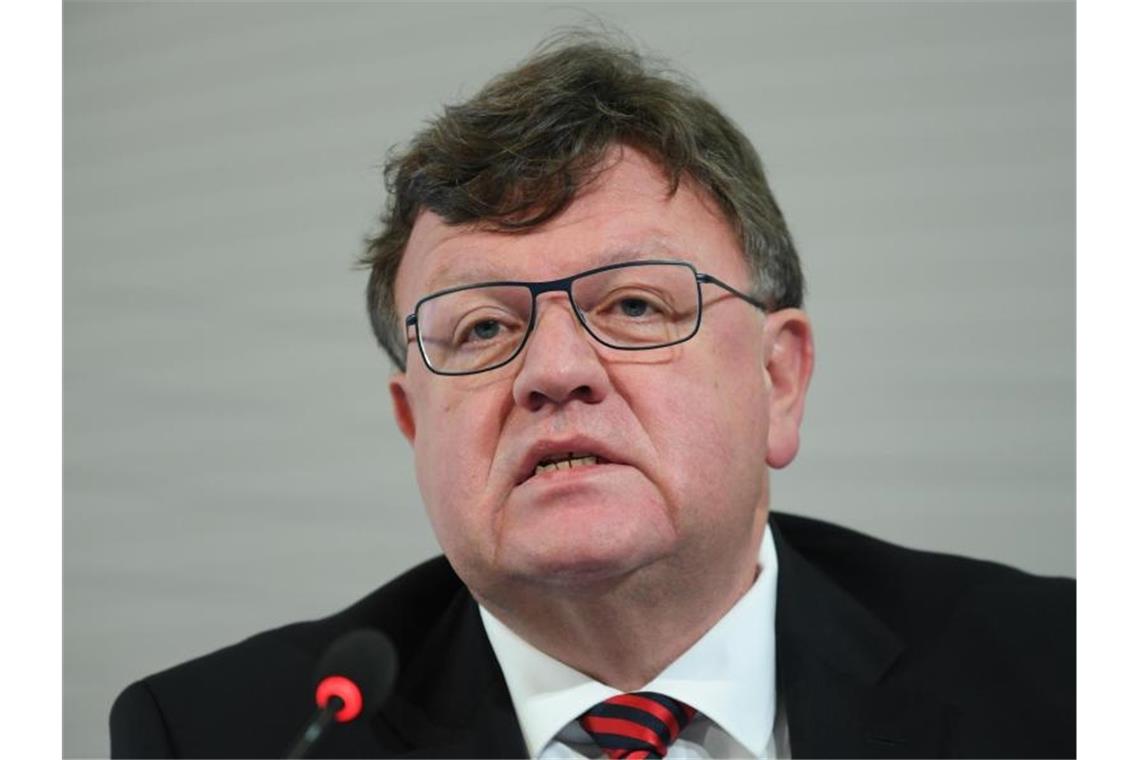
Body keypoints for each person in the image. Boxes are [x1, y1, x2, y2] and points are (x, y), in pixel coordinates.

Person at [109, 32, 1075, 759]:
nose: (552, 371)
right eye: (482, 329)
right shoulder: (221, 737)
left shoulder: (1064, 675)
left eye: (636, 304)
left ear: (777, 382)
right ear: (413, 425)